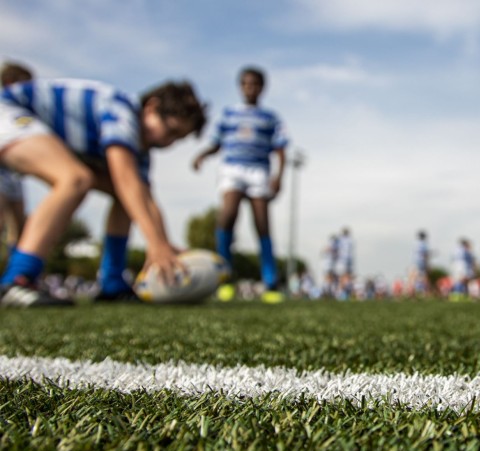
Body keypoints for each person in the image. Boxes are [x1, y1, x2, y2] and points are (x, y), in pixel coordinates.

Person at [0, 76, 207, 307]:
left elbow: (143, 198)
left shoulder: (140, 151)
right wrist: (156, 244)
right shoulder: (122, 110)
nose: (168, 143)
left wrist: (163, 244)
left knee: (126, 194)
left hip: (29, 128)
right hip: (8, 112)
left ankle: (112, 282)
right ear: (151, 107)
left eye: (177, 139)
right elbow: (125, 180)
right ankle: (18, 279)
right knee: (75, 178)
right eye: (170, 131)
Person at [192, 66, 288, 304]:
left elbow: (280, 149)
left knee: (262, 224)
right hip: (232, 169)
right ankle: (224, 279)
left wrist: (279, 176)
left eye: (255, 84)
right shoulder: (229, 114)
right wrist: (203, 154)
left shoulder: (270, 117)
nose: (250, 88)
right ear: (240, 87)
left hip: (258, 171)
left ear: (262, 88)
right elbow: (216, 142)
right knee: (227, 216)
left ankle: (270, 282)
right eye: (246, 84)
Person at [0, 61, 33, 256]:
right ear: (10, 81)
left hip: (13, 175)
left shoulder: (22, 112)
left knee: (20, 227)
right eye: (27, 84)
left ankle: (13, 274)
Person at [411, 229, 432, 297]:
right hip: (422, 262)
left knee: (413, 278)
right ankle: (427, 293)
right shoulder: (424, 244)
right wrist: (428, 265)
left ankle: (411, 294)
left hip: (415, 262)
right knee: (425, 277)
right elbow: (425, 255)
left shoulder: (415, 244)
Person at [336, 226, 355, 300]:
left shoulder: (341, 239)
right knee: (345, 277)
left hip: (344, 260)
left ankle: (345, 293)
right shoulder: (349, 240)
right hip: (346, 260)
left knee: (345, 277)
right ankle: (342, 293)